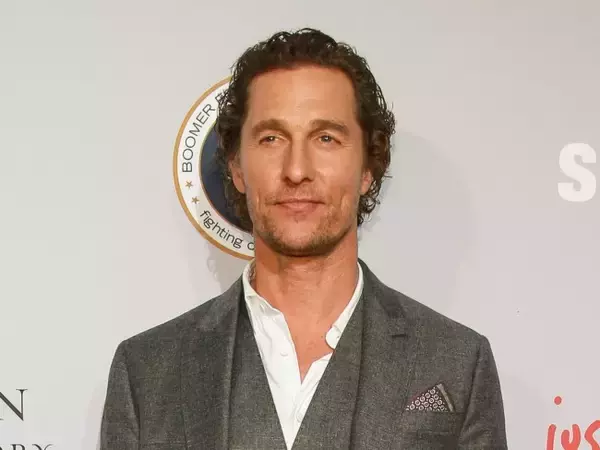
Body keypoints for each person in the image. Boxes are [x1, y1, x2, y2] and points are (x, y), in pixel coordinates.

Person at [100, 28, 507, 450]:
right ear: (237, 167)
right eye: (271, 138)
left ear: (368, 168)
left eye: (326, 138)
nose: (296, 170)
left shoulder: (457, 364)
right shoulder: (146, 373)